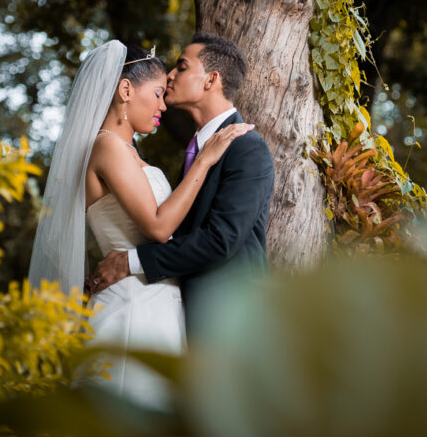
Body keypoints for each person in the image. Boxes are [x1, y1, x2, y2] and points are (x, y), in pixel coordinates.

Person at [28, 40, 251, 409]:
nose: (164, 105)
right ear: (126, 90)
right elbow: (159, 228)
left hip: (156, 302)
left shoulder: (128, 152)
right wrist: (205, 161)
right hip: (132, 305)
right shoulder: (107, 147)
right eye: (158, 94)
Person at [88, 32, 275, 334]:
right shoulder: (196, 152)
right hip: (169, 315)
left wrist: (130, 262)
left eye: (182, 67)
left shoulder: (245, 146)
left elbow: (221, 239)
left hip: (229, 322)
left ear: (211, 80)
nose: (171, 75)